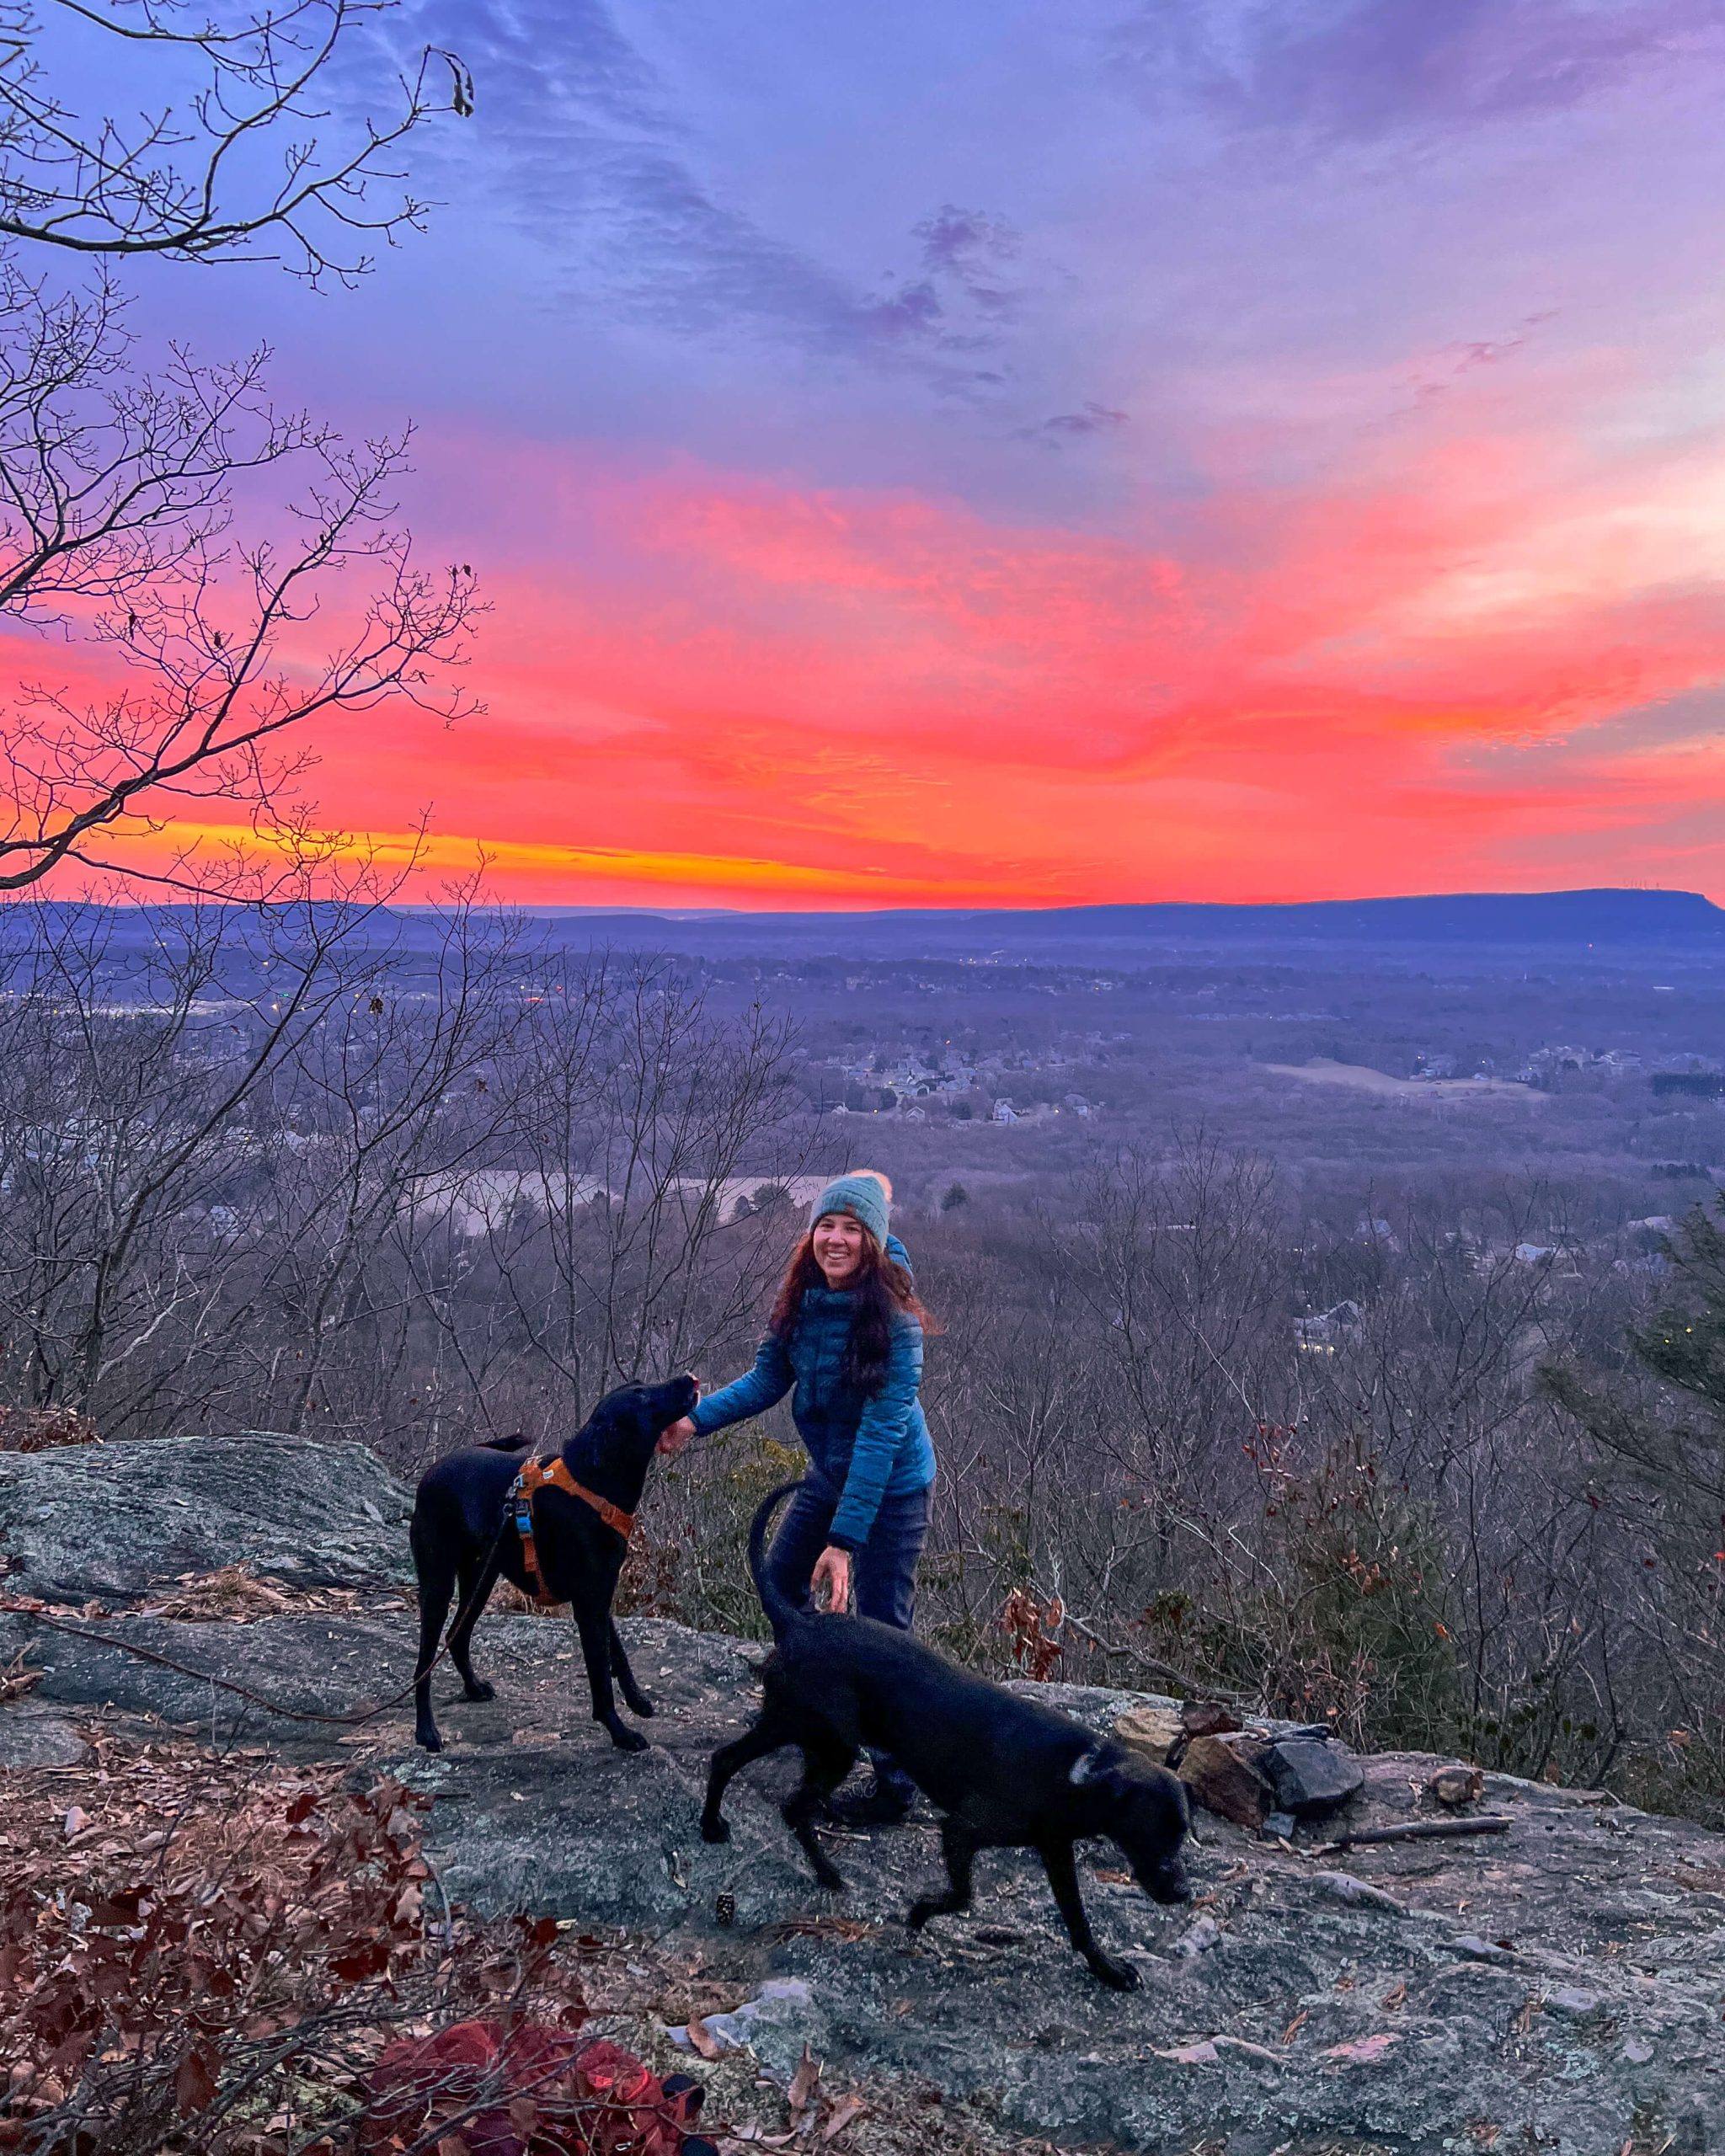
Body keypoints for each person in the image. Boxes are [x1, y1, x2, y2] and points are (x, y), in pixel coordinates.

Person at [663, 1169, 935, 1824]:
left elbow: (880, 1434)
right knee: (783, 1583)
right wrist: (693, 1421)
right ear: (811, 1231)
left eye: (852, 1229)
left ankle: (898, 1785)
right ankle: (812, 1709)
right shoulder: (803, 1298)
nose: (836, 1240)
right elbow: (765, 1379)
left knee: (881, 1628)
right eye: (827, 1225)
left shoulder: (895, 1320)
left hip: (891, 1488)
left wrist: (843, 1542)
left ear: (873, 1240)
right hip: (828, 1474)